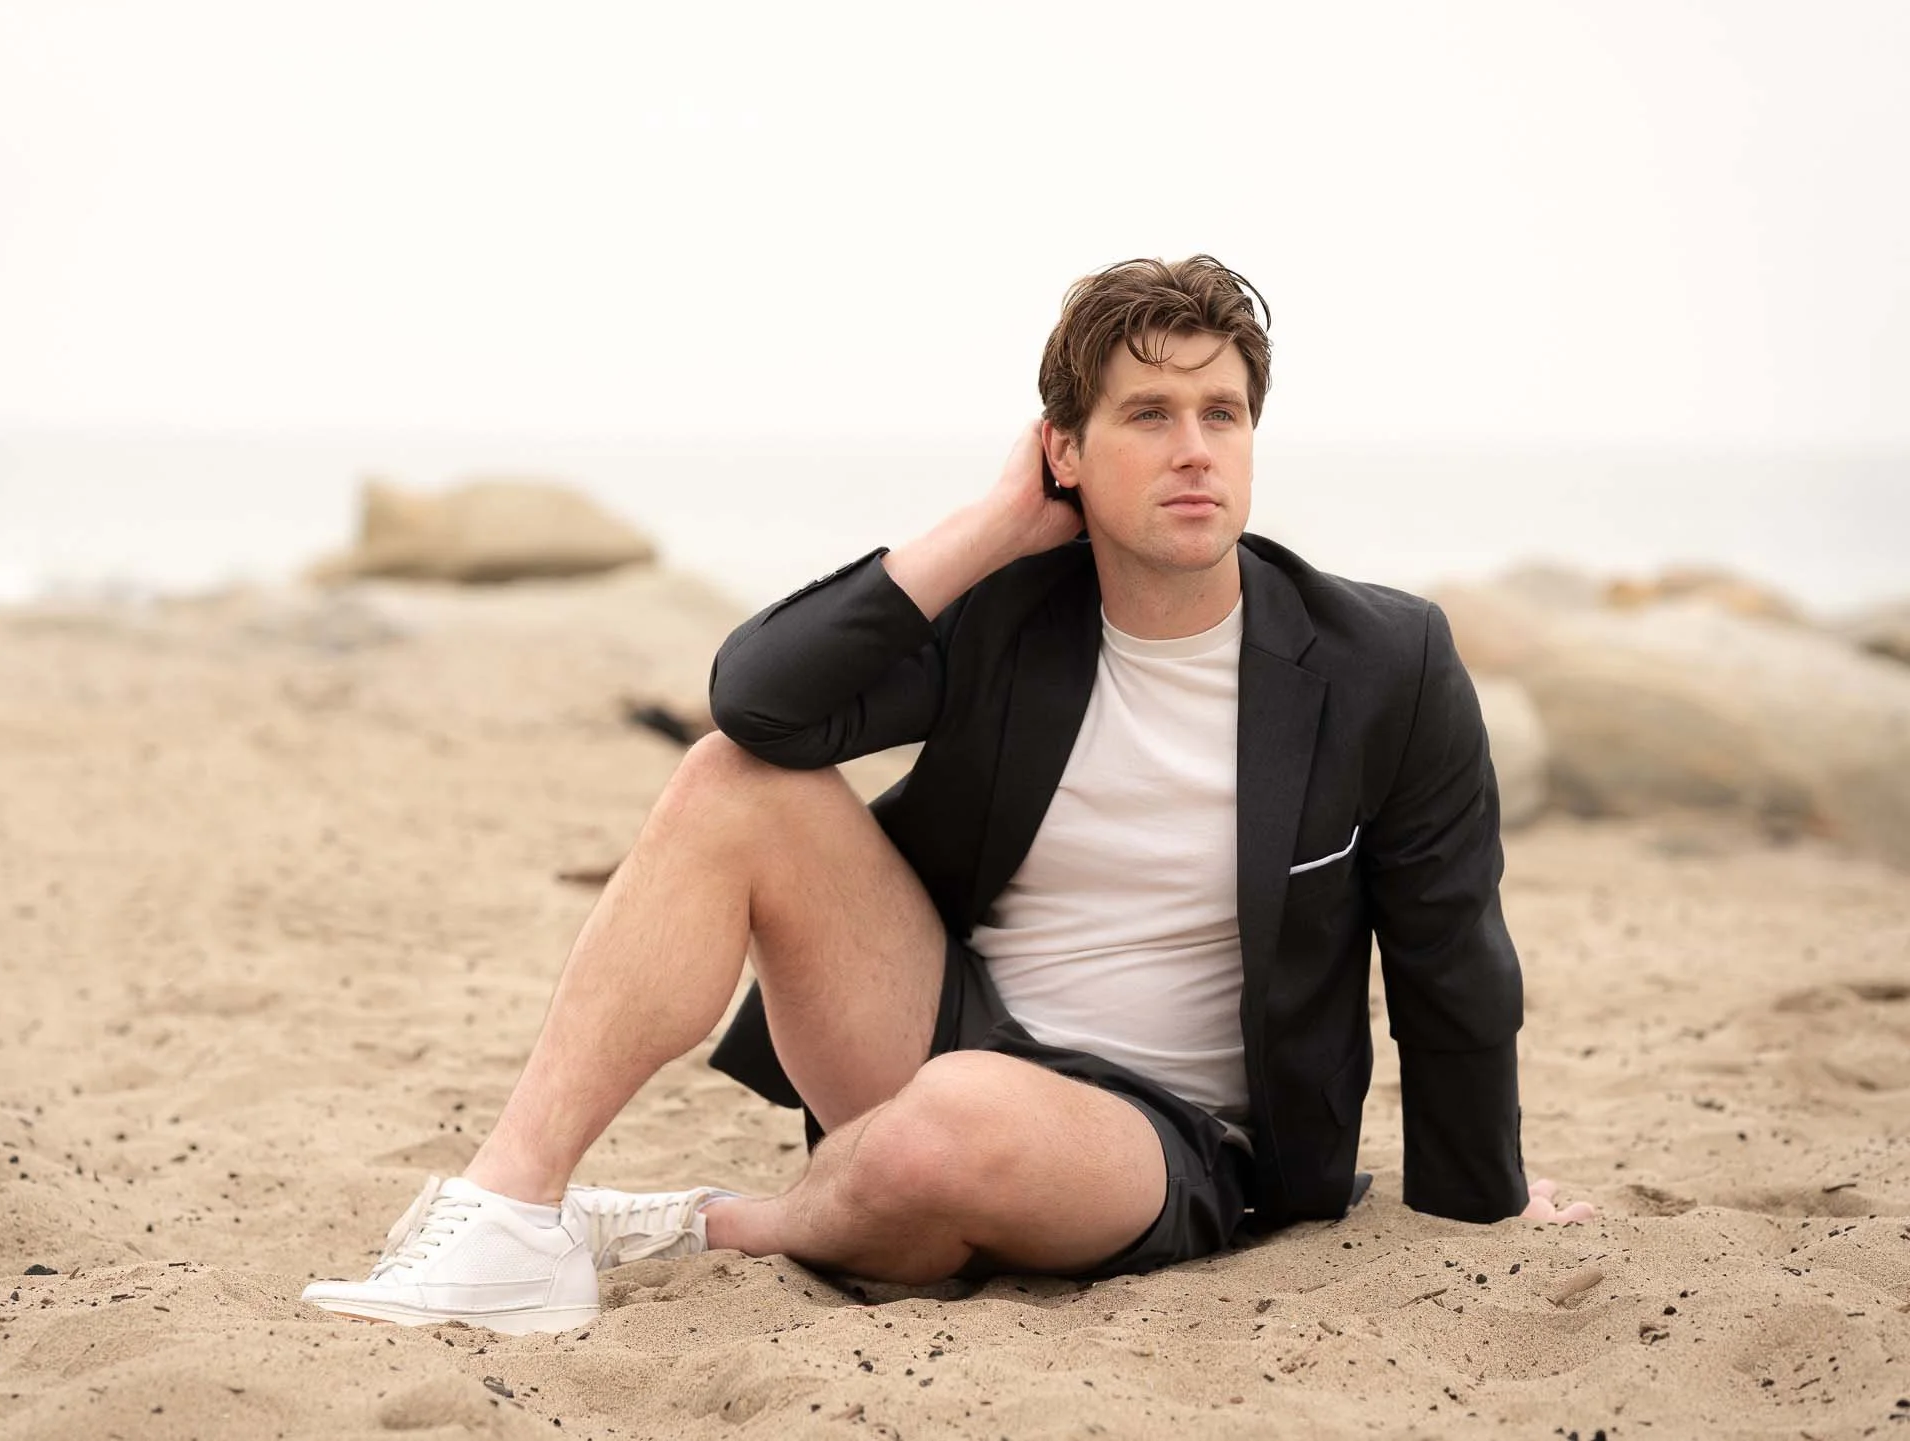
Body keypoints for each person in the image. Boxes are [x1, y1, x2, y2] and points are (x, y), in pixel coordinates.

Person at [301, 255, 1596, 1333]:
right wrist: (989, 528)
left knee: (950, 1132)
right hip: (939, 1028)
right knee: (731, 782)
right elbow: (758, 703)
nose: (1195, 449)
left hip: (1184, 1141)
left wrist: (1480, 1195)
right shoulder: (1009, 614)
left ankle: (716, 1223)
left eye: (1224, 413)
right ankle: (518, 1210)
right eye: (1147, 415)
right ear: (1066, 452)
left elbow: (1451, 950)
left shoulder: (1385, 661)